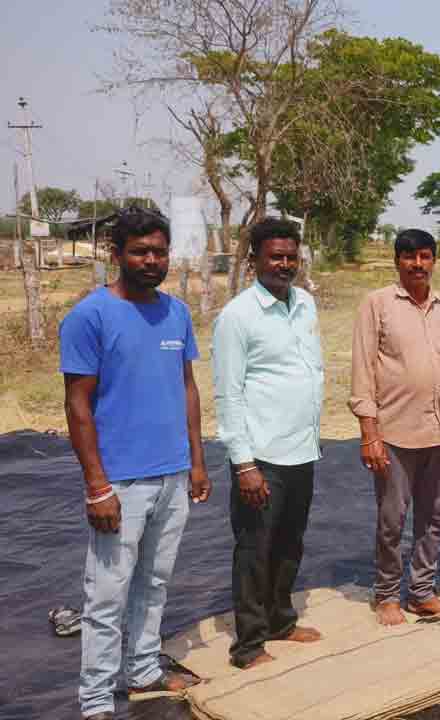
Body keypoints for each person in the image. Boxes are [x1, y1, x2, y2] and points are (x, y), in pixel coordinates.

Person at [62, 207, 208, 720]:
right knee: (105, 597)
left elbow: (186, 387)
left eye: (160, 251)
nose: (152, 260)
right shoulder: (90, 316)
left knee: (156, 582)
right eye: (140, 251)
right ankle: (97, 699)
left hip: (172, 475)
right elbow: (78, 404)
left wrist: (196, 460)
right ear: (116, 254)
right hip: (119, 482)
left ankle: (143, 669)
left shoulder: (176, 313)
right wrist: (96, 486)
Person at [213, 218, 325, 669]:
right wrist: (244, 464)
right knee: (254, 550)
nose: (284, 264)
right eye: (275, 256)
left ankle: (281, 620)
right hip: (261, 456)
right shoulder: (237, 316)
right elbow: (229, 394)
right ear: (254, 260)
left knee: (289, 544)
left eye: (291, 257)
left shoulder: (306, 304)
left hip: (302, 449)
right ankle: (248, 644)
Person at [349, 229, 440, 625]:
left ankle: (422, 591)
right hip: (395, 433)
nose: (417, 264)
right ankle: (387, 594)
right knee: (393, 519)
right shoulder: (378, 304)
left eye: (424, 256)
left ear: (434, 260)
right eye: (409, 257)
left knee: (436, 516)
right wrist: (370, 433)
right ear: (397, 261)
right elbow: (363, 369)